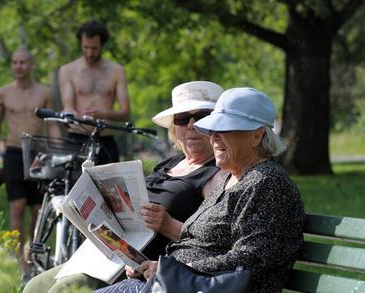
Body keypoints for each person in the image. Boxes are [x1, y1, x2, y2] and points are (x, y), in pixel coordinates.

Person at [96, 87, 305, 293]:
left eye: (224, 130)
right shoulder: (231, 179)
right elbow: (194, 240)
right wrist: (150, 266)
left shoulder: (267, 183)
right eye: (213, 130)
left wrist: (176, 270)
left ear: (257, 136)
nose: (214, 137)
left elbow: (251, 257)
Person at [23, 81, 225, 292]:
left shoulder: (217, 174)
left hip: (147, 265)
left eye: (201, 116)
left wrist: (168, 225)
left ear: (217, 124)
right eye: (182, 119)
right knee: (34, 286)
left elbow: (213, 241)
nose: (191, 126)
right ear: (175, 128)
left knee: (62, 289)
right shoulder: (170, 163)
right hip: (111, 252)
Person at [0, 49, 59, 281]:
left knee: (37, 210)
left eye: (23, 62)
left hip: (39, 152)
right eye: (15, 62)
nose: (18, 66)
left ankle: (30, 251)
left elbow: (53, 124)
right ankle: (18, 260)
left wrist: (57, 153)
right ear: (11, 66)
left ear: (31, 64)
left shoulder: (44, 92)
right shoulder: (3, 93)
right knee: (16, 207)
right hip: (14, 153)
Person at [59, 20, 130, 164]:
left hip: (105, 139)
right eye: (85, 47)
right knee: (73, 186)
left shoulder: (116, 71)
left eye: (94, 48)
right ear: (80, 43)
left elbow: (125, 112)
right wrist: (70, 114)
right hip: (77, 138)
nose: (89, 53)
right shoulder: (68, 71)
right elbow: (68, 105)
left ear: (102, 45)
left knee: (109, 186)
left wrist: (102, 114)